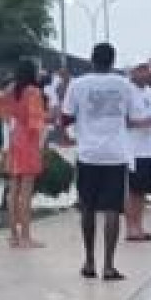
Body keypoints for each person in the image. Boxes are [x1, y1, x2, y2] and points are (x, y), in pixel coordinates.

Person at [60, 40, 137, 281]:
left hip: (88, 154)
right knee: (113, 209)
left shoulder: (78, 84)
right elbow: (131, 118)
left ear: (92, 60)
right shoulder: (125, 85)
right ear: (113, 61)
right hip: (115, 154)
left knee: (88, 207)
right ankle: (109, 266)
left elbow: (65, 118)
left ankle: (89, 261)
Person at [5, 62, 48, 250]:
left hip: (14, 139)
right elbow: (36, 122)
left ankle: (13, 235)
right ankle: (26, 236)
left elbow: (5, 114)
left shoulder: (10, 90)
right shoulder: (33, 92)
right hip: (29, 142)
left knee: (13, 191)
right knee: (26, 193)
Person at [123, 67, 151, 245]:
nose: (146, 75)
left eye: (148, 71)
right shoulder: (126, 91)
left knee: (142, 191)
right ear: (134, 73)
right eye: (142, 71)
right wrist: (140, 123)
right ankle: (130, 227)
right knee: (132, 190)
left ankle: (139, 226)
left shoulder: (150, 93)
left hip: (149, 147)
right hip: (133, 148)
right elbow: (123, 120)